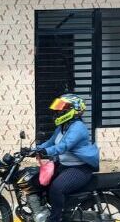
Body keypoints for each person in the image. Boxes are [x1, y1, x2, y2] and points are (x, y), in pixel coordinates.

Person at [37, 94, 101, 222]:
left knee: (56, 187)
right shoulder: (63, 126)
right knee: (39, 182)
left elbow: (63, 146)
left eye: (62, 108)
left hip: (80, 168)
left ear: (73, 109)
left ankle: (56, 218)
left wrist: (45, 151)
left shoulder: (78, 127)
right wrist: (33, 149)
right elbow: (50, 142)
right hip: (65, 166)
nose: (58, 111)